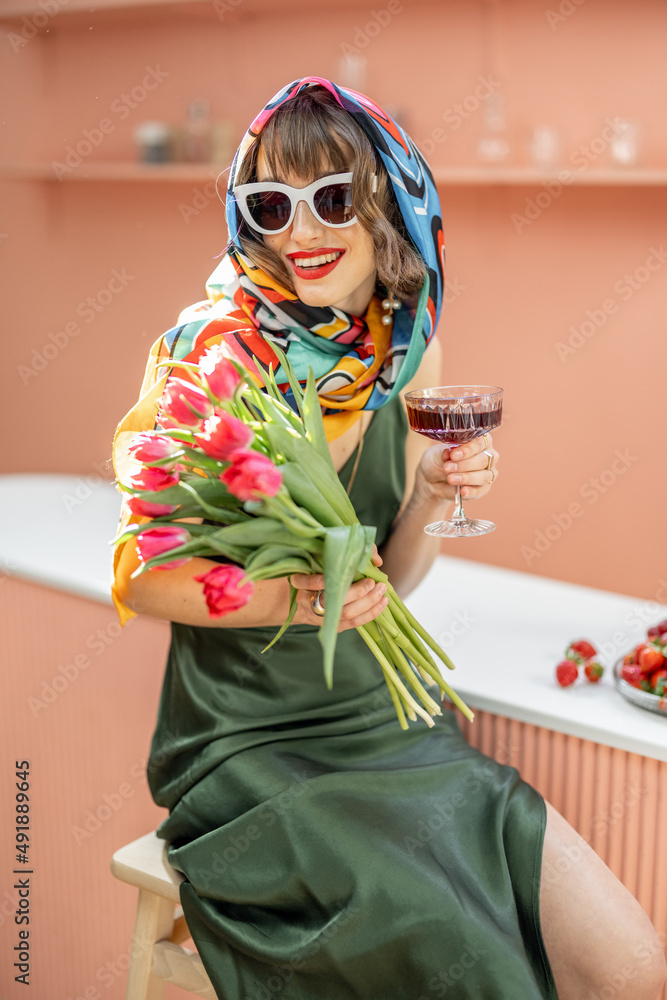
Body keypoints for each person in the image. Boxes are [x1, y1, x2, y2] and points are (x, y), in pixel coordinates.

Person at [112, 78, 666, 1000]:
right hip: (246, 745)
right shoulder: (208, 355)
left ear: (389, 201)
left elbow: (391, 582)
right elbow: (140, 580)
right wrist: (290, 598)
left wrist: (428, 494)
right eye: (270, 204)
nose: (300, 230)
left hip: (389, 723)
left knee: (631, 966)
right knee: (473, 965)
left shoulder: (406, 350)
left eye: (332, 197)